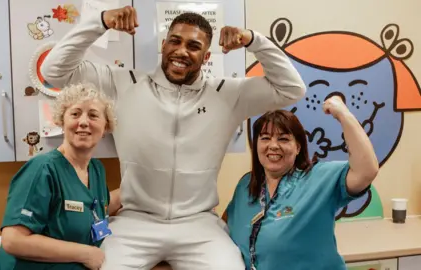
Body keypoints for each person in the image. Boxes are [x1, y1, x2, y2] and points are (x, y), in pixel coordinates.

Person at [40, 5, 306, 270]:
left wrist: (253, 40)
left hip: (199, 225)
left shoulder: (228, 94)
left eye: (193, 46)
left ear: (205, 56)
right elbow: (54, 72)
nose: (181, 51)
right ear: (164, 44)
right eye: (175, 41)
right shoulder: (124, 84)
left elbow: (292, 88)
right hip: (135, 221)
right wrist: (100, 21)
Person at [223, 96, 379, 270]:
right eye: (265, 138)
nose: (273, 145)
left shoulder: (318, 179)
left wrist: (343, 114)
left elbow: (366, 171)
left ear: (298, 147)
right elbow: (225, 229)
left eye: (283, 139)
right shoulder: (246, 185)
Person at [0, 83, 120, 270]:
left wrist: (136, 190)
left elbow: (98, 206)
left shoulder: (96, 169)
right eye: (75, 114)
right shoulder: (42, 169)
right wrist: (86, 254)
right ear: (61, 121)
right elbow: (13, 240)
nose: (84, 122)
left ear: (106, 126)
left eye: (93, 115)